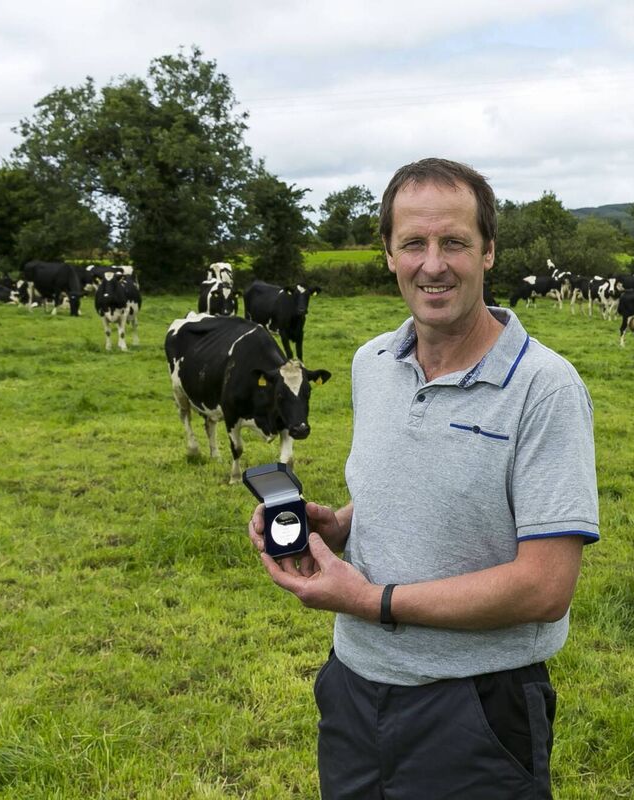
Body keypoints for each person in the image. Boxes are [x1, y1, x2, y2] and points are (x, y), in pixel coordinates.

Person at [247, 157, 599, 799]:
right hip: (352, 690)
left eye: (454, 242)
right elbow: (415, 489)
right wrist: (343, 523)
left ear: (488, 252)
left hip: (475, 711)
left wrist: (373, 602)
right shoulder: (371, 363)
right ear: (388, 253)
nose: (432, 264)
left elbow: (547, 587)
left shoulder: (544, 388)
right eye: (413, 243)